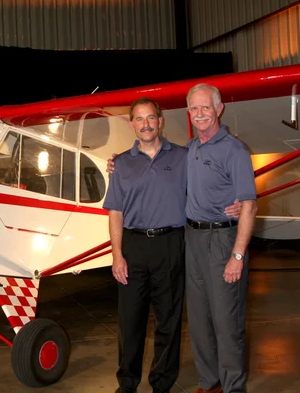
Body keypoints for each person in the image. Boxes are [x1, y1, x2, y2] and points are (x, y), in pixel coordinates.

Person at [106, 84, 255, 393]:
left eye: (206, 107)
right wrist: (116, 254)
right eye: (138, 118)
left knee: (184, 319)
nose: (145, 124)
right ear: (131, 124)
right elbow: (116, 210)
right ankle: (144, 382)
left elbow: (237, 193)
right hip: (155, 243)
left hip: (184, 241)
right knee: (169, 319)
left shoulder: (194, 153)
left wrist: (240, 209)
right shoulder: (128, 162)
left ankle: (208, 385)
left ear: (161, 121)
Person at [183, 83, 257, 393]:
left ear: (219, 109)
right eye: (194, 108)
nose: (199, 114)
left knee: (227, 322)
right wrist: (117, 161)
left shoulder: (234, 150)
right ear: (189, 113)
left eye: (205, 107)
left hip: (223, 239)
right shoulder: (189, 149)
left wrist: (237, 256)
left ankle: (232, 387)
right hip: (193, 239)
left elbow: (250, 205)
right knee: (199, 320)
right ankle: (209, 381)